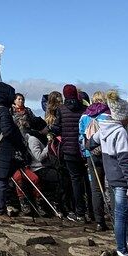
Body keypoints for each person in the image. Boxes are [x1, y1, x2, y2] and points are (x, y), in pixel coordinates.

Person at [88, 92, 128, 256]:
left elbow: (89, 143)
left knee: (122, 213)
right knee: (121, 215)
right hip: (121, 180)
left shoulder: (104, 128)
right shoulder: (120, 132)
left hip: (111, 177)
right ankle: (122, 253)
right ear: (123, 116)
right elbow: (125, 161)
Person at [0, 81, 29, 223]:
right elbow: (8, 131)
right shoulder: (3, 110)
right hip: (3, 149)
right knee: (2, 180)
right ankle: (0, 211)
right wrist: (19, 143)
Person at [51, 84, 89, 222]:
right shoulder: (84, 109)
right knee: (87, 181)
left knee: (74, 180)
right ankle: (91, 211)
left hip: (68, 150)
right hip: (83, 149)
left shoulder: (61, 109)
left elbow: (57, 128)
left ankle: (79, 212)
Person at [80, 91, 111, 231]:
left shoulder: (84, 116)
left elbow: (80, 137)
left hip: (90, 154)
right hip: (107, 152)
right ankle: (116, 218)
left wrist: (84, 152)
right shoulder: (107, 115)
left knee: (96, 188)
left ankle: (100, 221)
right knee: (111, 186)